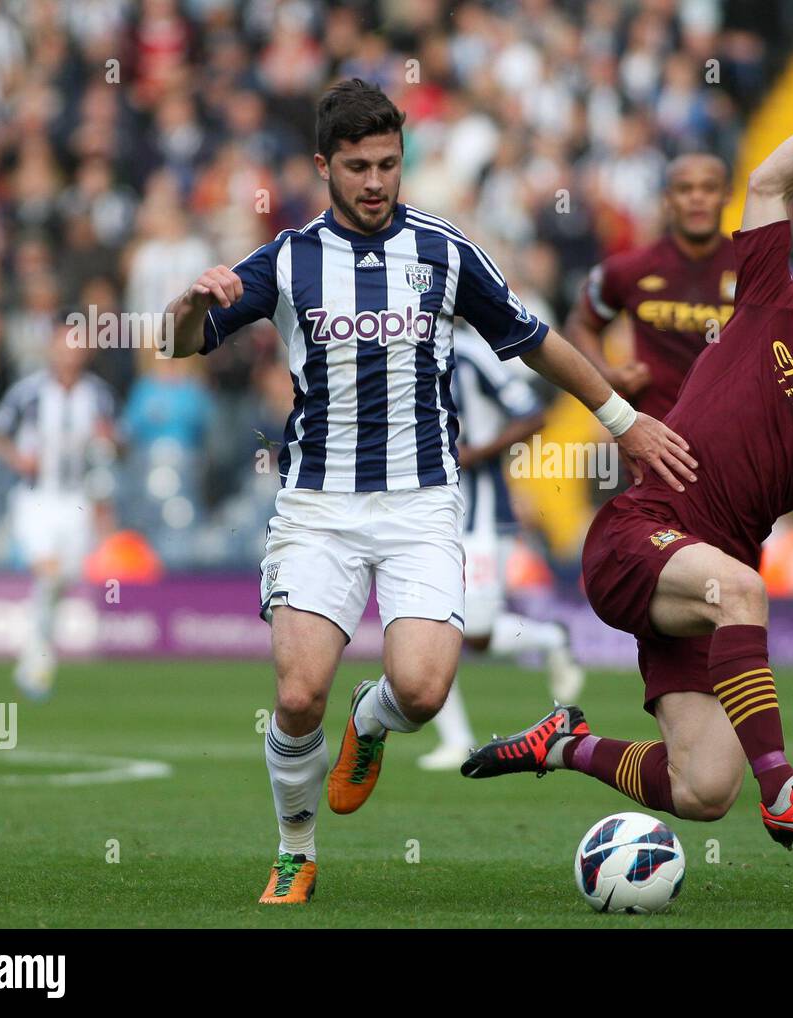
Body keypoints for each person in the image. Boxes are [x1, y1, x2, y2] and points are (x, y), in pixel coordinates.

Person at [162, 79, 695, 904]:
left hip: (421, 502)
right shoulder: (291, 259)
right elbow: (180, 342)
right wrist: (192, 303)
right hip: (318, 506)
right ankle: (296, 850)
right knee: (299, 693)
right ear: (322, 167)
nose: (376, 182)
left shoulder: (444, 251)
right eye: (357, 167)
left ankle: (370, 723)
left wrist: (621, 419)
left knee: (422, 688)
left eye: (388, 164)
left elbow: (536, 341)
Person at [462, 66, 793, 851]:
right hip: (636, 536)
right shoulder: (769, 305)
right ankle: (785, 798)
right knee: (743, 586)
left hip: (703, 593)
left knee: (703, 788)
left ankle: (563, 743)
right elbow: (772, 179)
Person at [417, 322, 584, 772]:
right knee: (431, 623)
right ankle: (455, 739)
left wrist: (474, 452)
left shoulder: (472, 354)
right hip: (427, 510)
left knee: (475, 631)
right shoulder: (406, 347)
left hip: (483, 515)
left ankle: (552, 638)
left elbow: (533, 414)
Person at [0, 324, 117, 699]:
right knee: (48, 571)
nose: (68, 353)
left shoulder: (98, 395)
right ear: (51, 348)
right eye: (62, 345)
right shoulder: (28, 392)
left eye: (75, 346)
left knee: (64, 578)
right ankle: (38, 663)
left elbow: (119, 443)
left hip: (78, 499)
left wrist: (111, 441)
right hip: (36, 498)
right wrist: (17, 458)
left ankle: (36, 651)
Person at [564, 153, 736, 422]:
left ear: (727, 194)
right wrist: (607, 374)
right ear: (667, 199)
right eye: (685, 189)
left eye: (709, 188)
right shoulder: (630, 269)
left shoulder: (752, 268)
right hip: (655, 438)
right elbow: (581, 324)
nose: (697, 198)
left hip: (733, 435)